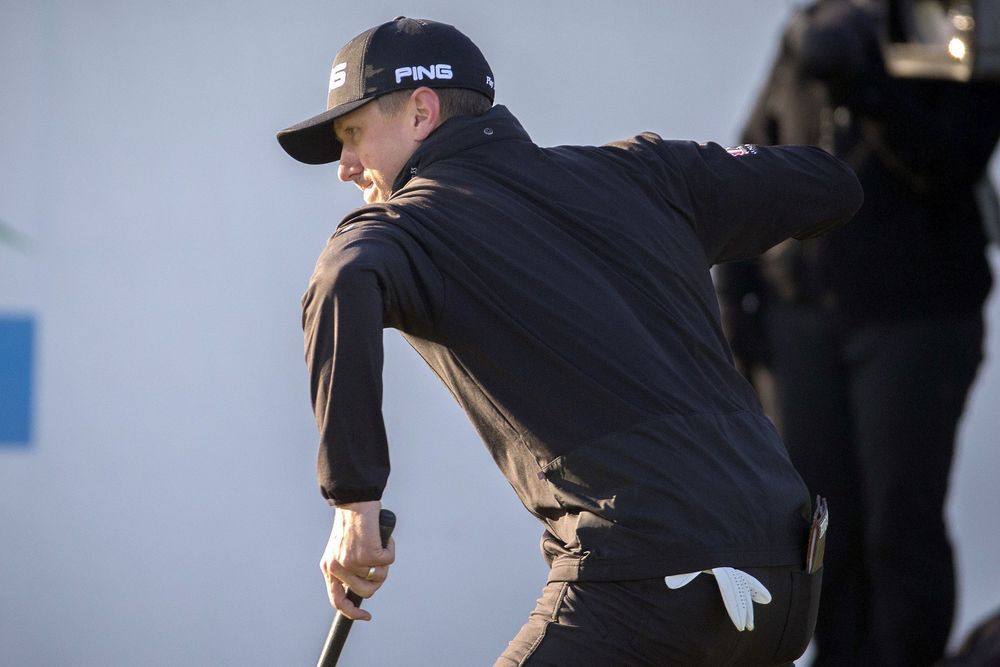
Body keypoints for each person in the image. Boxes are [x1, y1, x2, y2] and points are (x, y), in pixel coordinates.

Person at [277, 16, 862, 665]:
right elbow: (830, 184)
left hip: (654, 581)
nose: (346, 167)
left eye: (353, 134)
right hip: (787, 571)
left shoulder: (406, 226)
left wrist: (354, 507)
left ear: (421, 111)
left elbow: (341, 279)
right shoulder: (645, 174)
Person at [714, 1, 1000, 665]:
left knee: (899, 525)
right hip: (800, 318)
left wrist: (866, 83)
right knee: (817, 526)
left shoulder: (955, 26)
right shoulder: (813, 28)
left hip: (915, 320)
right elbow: (750, 160)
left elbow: (951, 163)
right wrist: (736, 296)